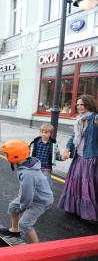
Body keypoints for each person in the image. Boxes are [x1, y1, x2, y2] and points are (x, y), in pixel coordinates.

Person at [0, 140, 54, 243]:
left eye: (7, 155)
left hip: (41, 201)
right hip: (33, 196)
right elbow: (26, 189)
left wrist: (23, 207)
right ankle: (14, 230)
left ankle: (37, 248)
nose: (6, 157)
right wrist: (20, 203)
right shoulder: (26, 163)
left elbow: (28, 195)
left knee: (25, 224)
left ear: (15, 156)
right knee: (12, 207)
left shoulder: (27, 173)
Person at [58, 94, 98, 222]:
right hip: (78, 155)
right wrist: (67, 149)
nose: (79, 107)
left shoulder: (95, 118)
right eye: (78, 104)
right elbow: (73, 136)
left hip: (90, 157)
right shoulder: (79, 119)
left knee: (88, 185)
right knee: (76, 182)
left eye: (82, 104)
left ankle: (89, 213)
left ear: (89, 104)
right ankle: (75, 208)